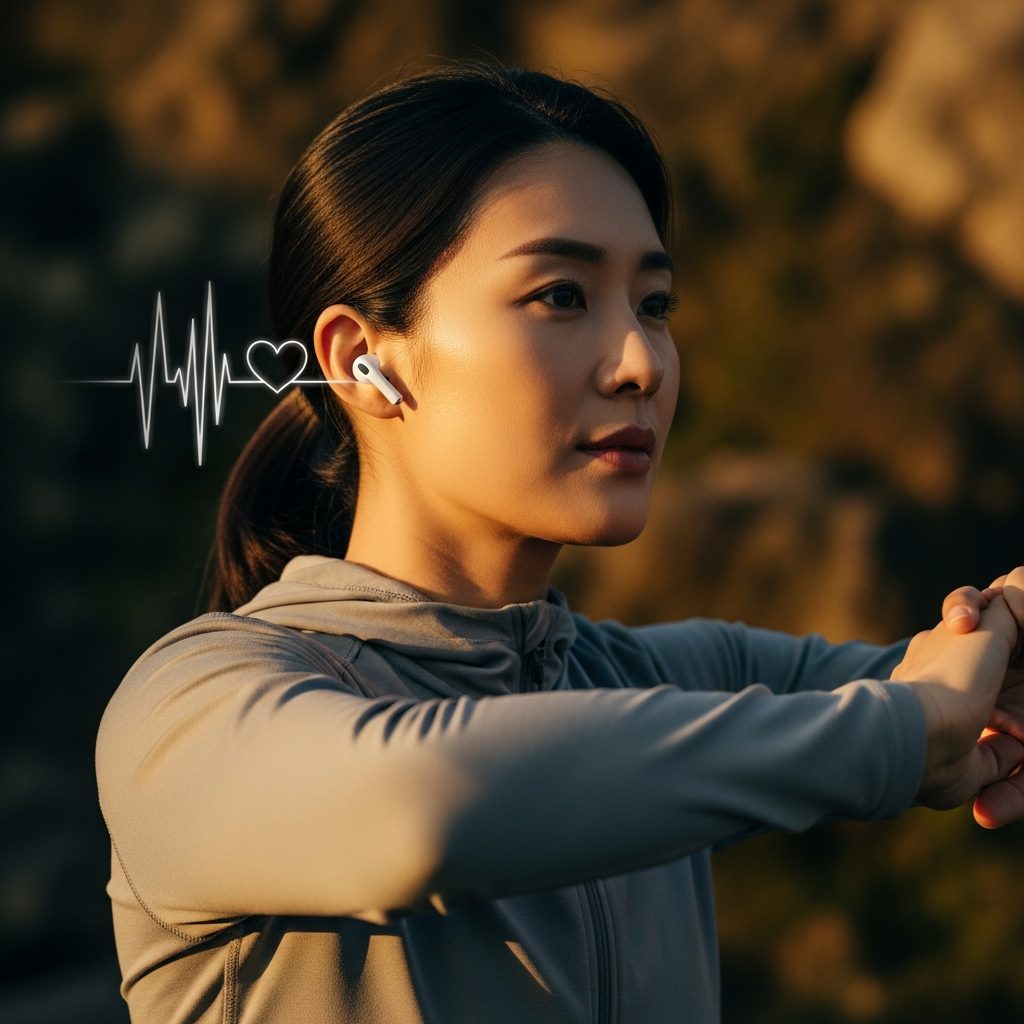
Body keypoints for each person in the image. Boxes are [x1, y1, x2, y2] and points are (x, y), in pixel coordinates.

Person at [95, 64, 1024, 1024]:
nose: (640, 363)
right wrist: (900, 737)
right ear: (361, 363)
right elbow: (426, 809)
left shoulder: (656, 680)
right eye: (562, 295)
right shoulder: (191, 708)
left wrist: (1004, 644)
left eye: (654, 304)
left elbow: (953, 688)